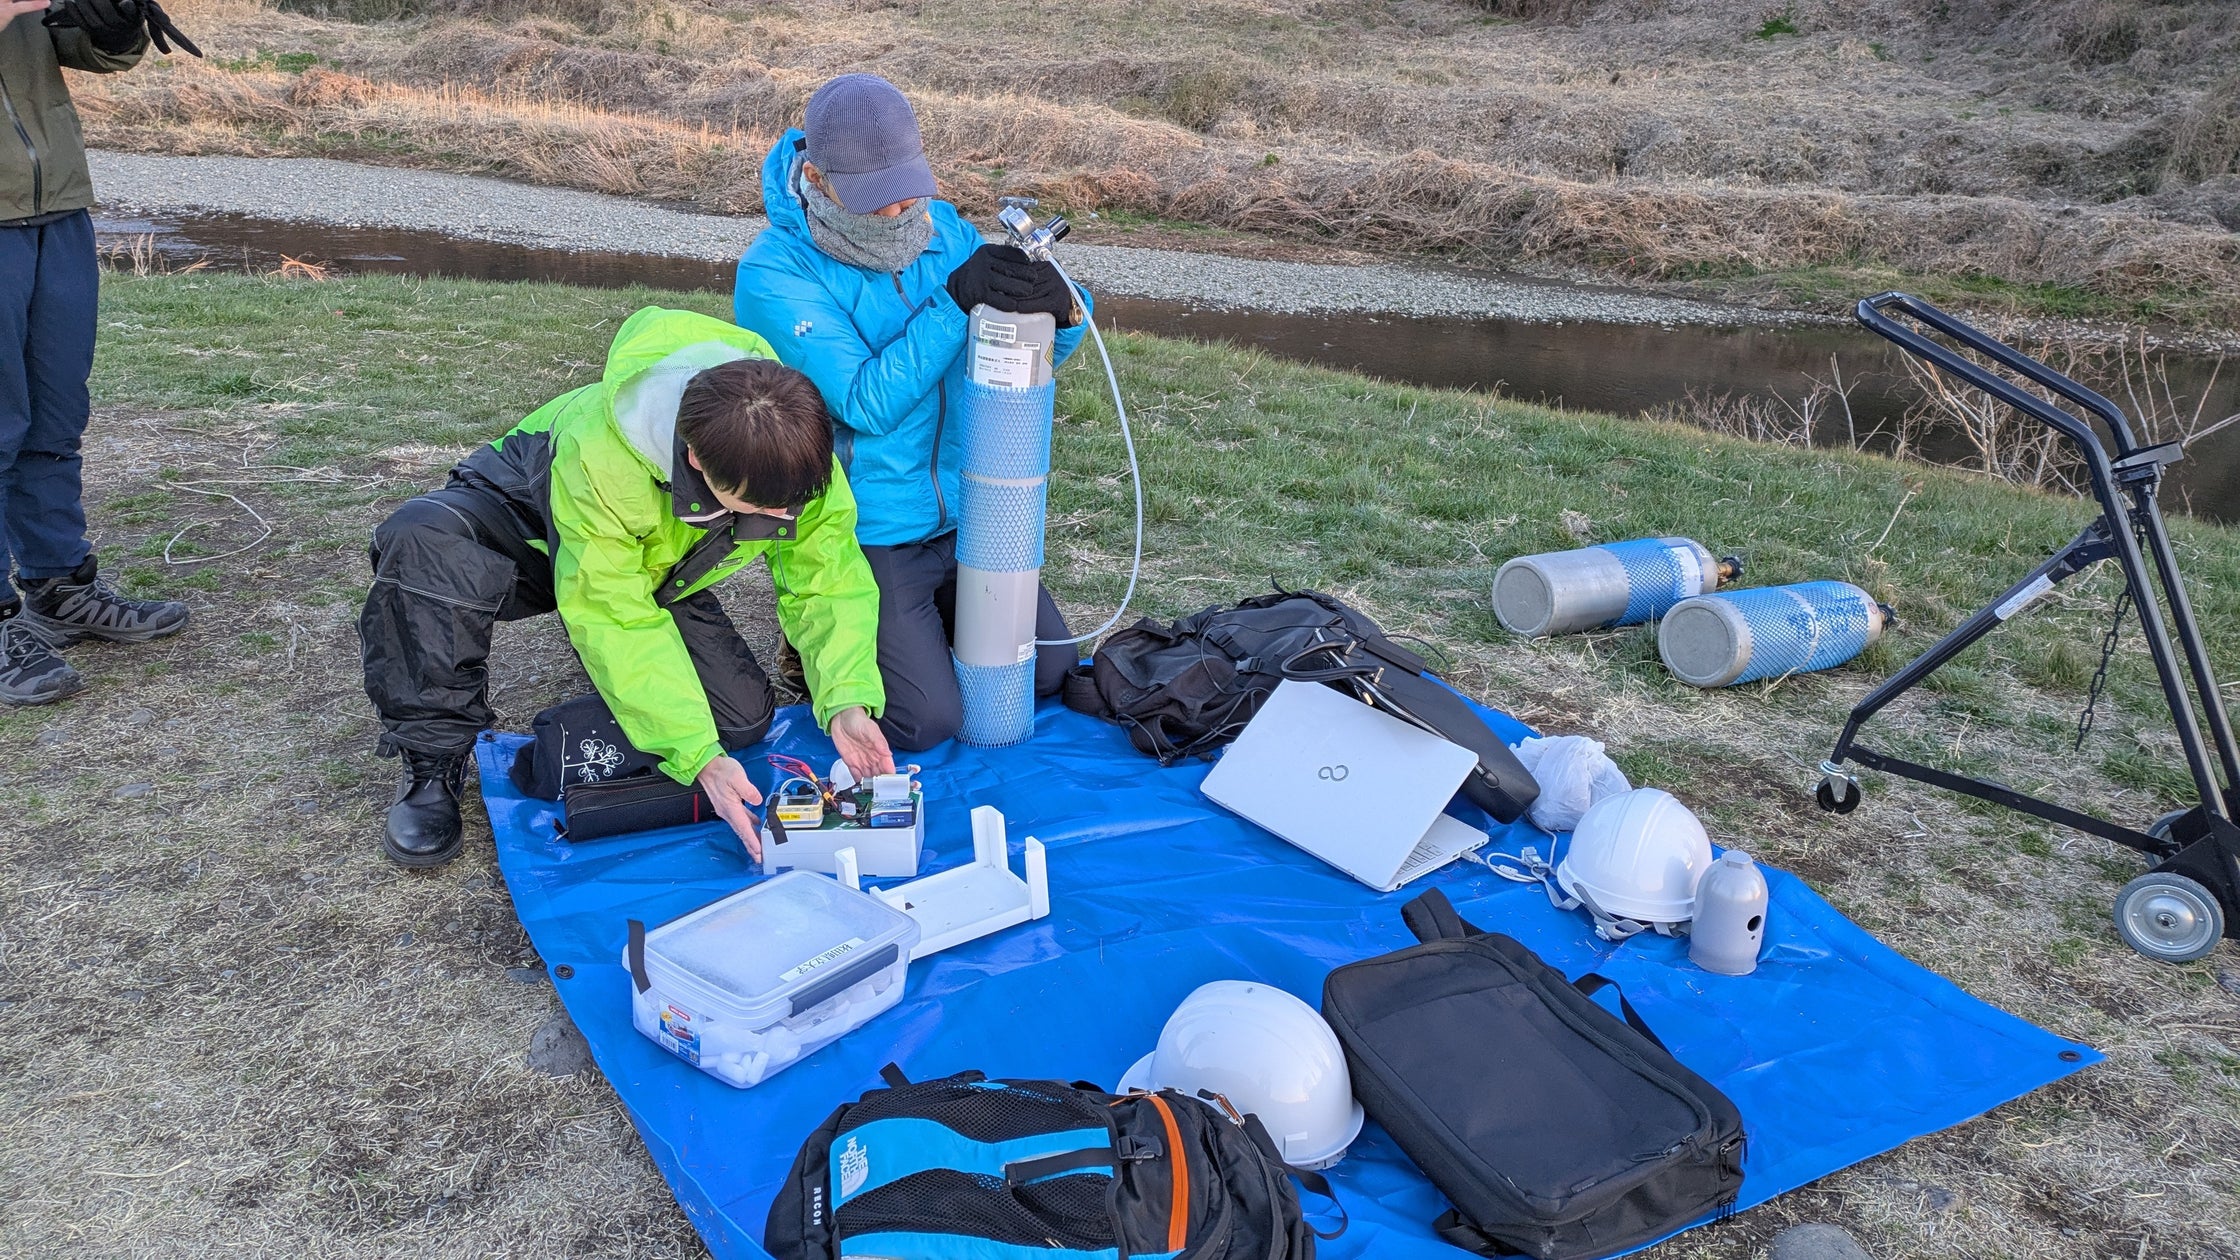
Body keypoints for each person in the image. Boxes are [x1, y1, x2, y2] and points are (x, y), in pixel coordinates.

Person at [357, 307, 894, 868]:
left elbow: (828, 582)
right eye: (763, 507)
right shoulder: (601, 454)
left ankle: (562, 745)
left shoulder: (792, 446)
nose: (783, 515)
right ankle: (431, 758)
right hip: (526, 533)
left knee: (737, 721)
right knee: (424, 542)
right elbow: (613, 613)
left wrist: (846, 701)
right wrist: (695, 756)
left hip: (655, 570)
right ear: (695, 462)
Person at [735, 73, 1093, 753]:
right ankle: (821, 646)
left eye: (908, 188)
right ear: (816, 175)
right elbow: (866, 403)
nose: (901, 211)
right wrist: (955, 304)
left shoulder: (945, 231)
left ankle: (912, 629)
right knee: (926, 722)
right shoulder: (776, 274)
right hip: (871, 526)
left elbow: (1016, 359)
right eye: (876, 199)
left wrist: (1061, 311)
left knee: (1049, 673)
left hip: (969, 514)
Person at [1, 0, 191, 706]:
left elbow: (85, 52)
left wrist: (110, 26)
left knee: (54, 416)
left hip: (55, 205)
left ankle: (57, 588)